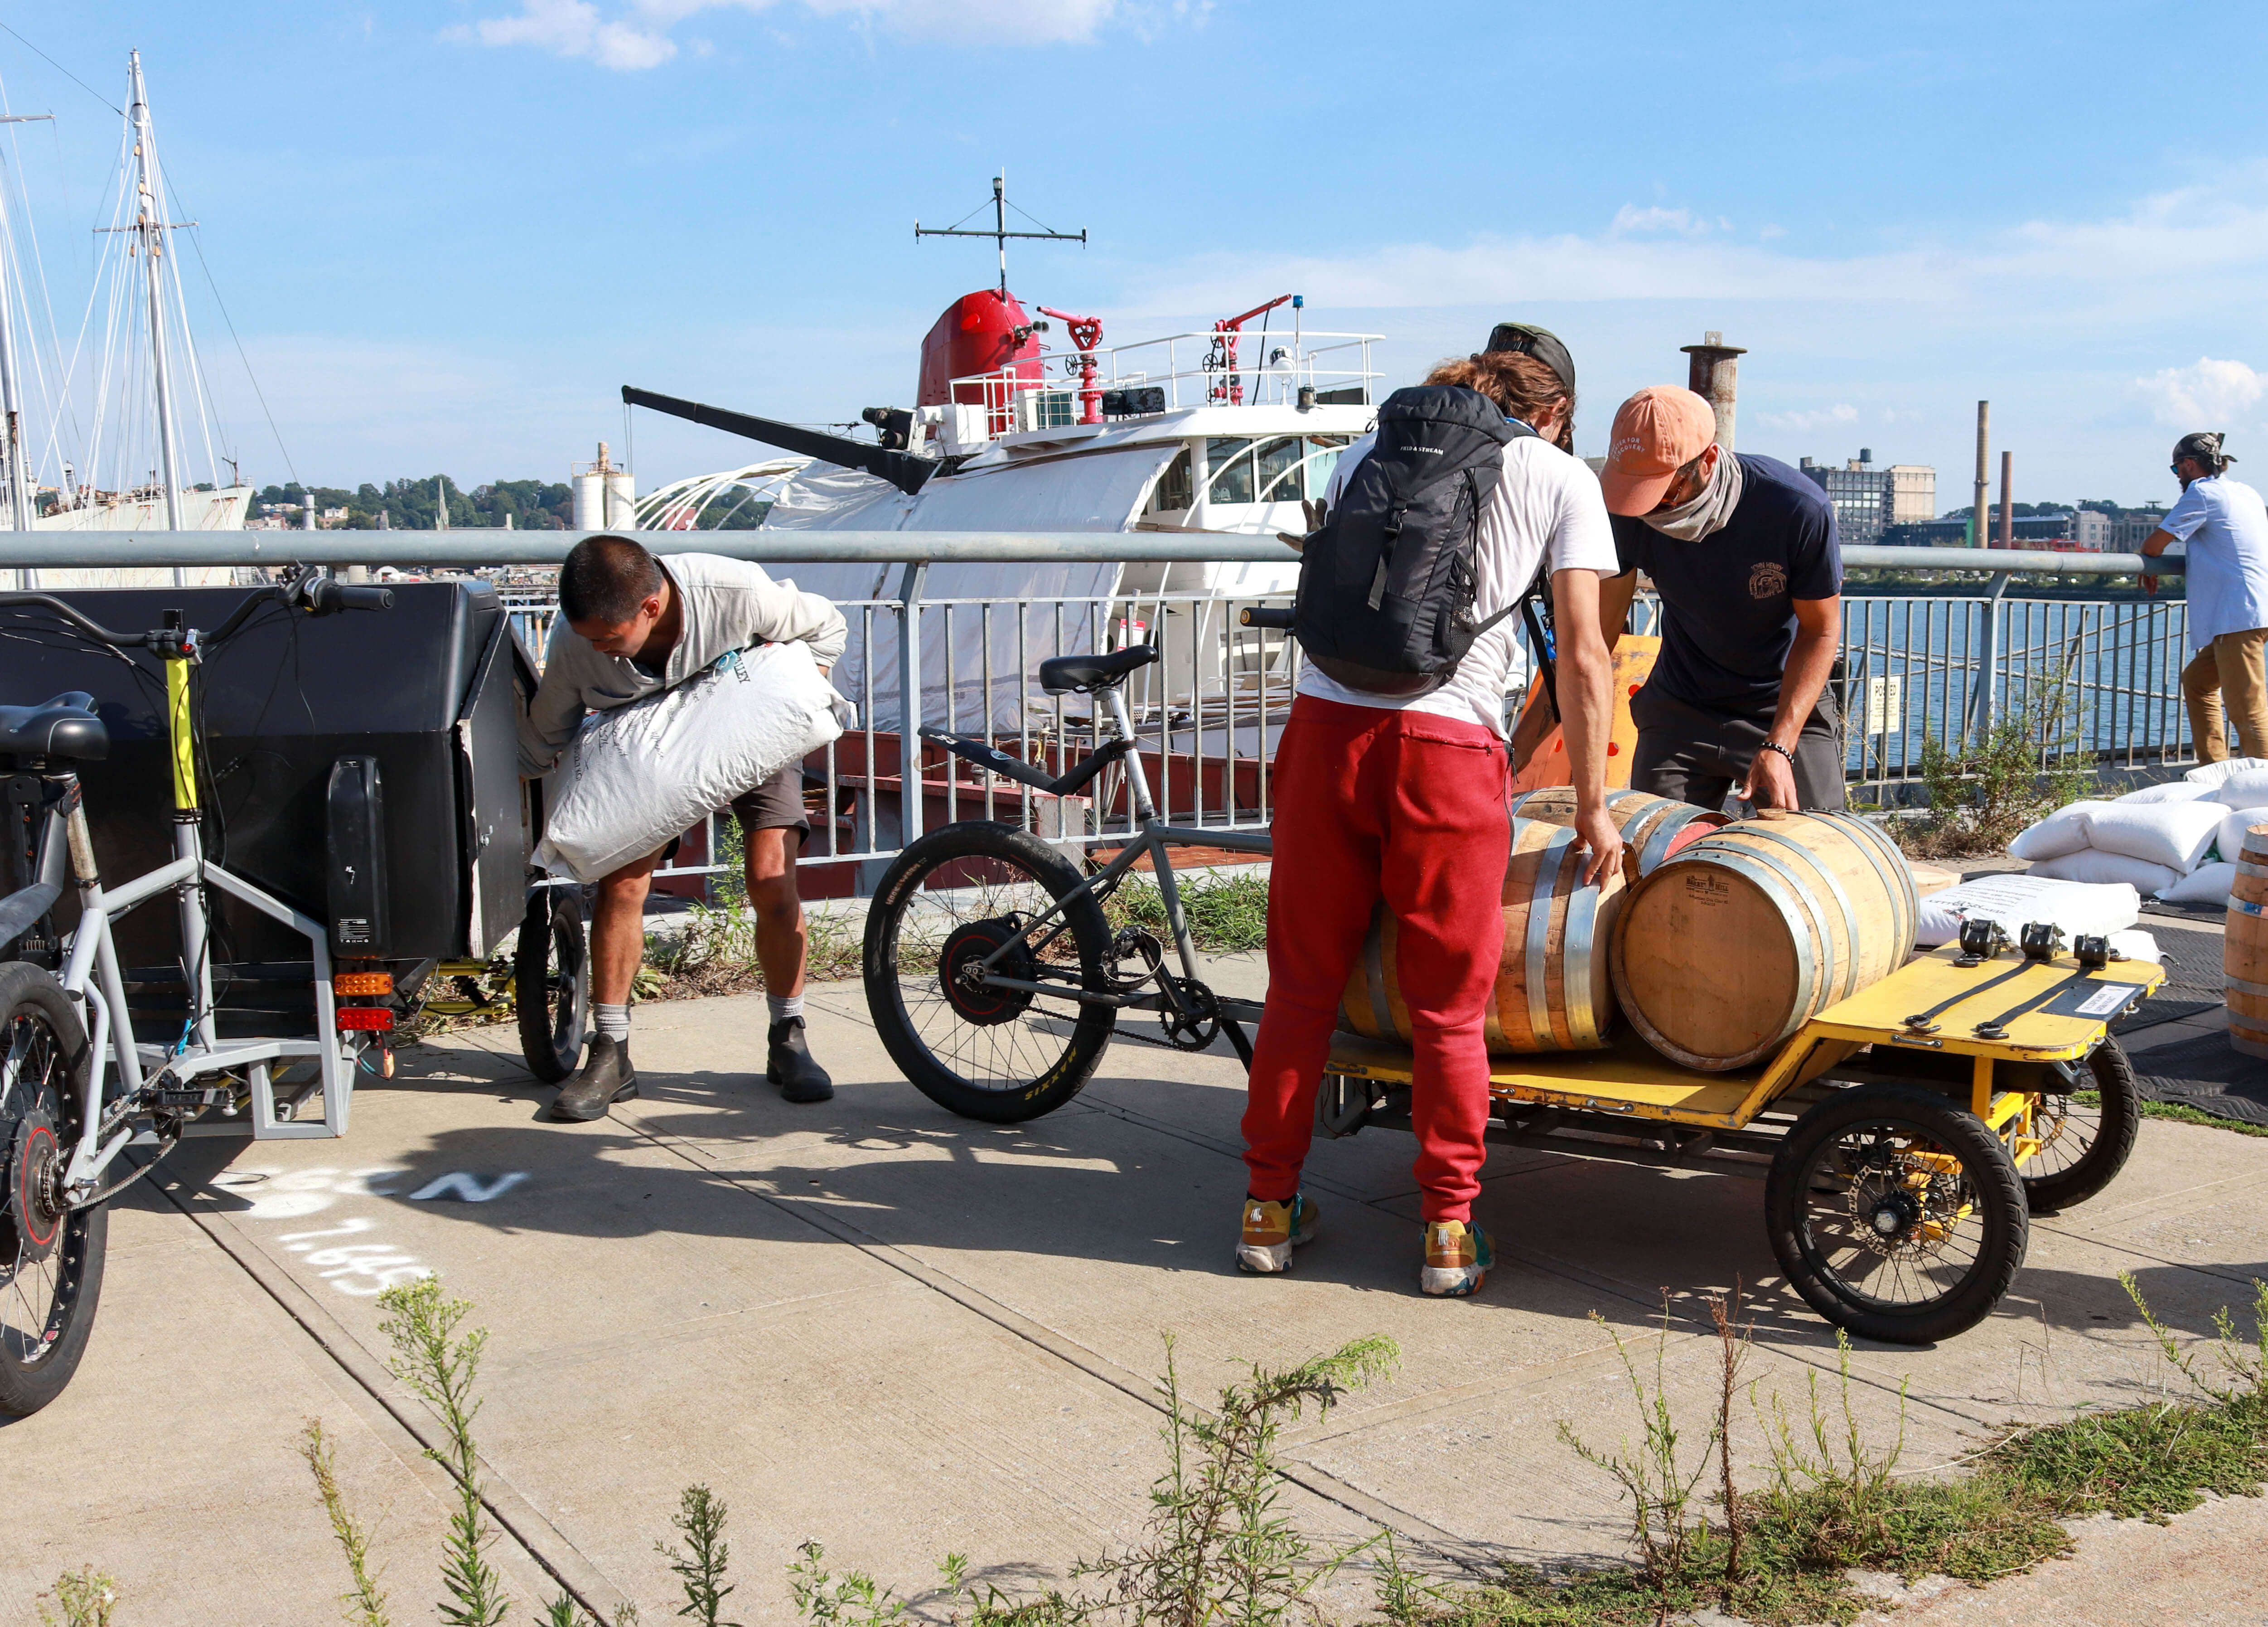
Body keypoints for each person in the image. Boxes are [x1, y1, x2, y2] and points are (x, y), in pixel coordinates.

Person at [1236, 349, 1624, 1298]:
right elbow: (1583, 654)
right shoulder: (1562, 476)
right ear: (1555, 410)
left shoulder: (1367, 446)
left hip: (1327, 734)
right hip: (1446, 752)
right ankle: (1447, 1231)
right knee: (1451, 1007)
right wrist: (1591, 802)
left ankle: (1266, 1210)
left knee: (1299, 988)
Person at [521, 536, 848, 1122]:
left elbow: (826, 625)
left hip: (746, 723)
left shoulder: (734, 590)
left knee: (772, 879)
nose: (595, 646)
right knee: (622, 886)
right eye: (589, 636)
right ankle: (611, 1051)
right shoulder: (578, 644)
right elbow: (545, 735)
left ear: (648, 607)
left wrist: (787, 709)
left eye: (606, 637)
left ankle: (789, 1033)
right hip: (649, 748)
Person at [1595, 386, 1844, 812]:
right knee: (1652, 851)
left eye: (1664, 490)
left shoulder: (1794, 508)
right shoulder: (1627, 512)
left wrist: (1780, 746)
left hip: (1779, 700)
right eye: (1635, 492)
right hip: (1681, 702)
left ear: (1708, 461)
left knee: (1817, 843)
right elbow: (1598, 635)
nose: (1649, 509)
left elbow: (1820, 631)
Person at [2142, 431, 2268, 764]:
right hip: (2252, 609)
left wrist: (2147, 561)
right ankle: (2214, 769)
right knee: (2197, 682)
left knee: (2247, 707)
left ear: (2187, 465)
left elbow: (2154, 545)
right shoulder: (2246, 492)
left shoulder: (2202, 493)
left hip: (2237, 614)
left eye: (2176, 470)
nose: (2178, 477)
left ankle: (2263, 789)